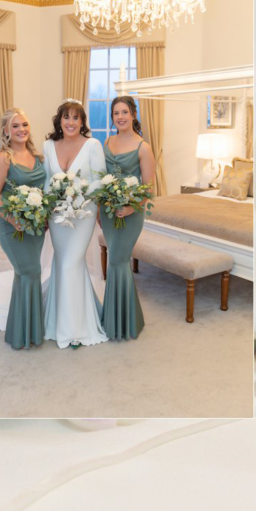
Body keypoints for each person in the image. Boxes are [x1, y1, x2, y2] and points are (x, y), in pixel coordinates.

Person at [41, 99, 108, 349]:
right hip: (57, 215)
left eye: (75, 118)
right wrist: (54, 198)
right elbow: (46, 180)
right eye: (66, 117)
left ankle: (74, 331)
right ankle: (60, 320)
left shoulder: (93, 145)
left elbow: (100, 181)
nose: (70, 122)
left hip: (83, 214)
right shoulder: (48, 145)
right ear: (59, 121)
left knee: (72, 262)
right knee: (63, 262)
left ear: (82, 122)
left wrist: (77, 191)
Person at [0, 108, 47, 349]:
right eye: (15, 126)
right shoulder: (3, 158)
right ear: (5, 131)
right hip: (13, 228)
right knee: (29, 271)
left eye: (25, 125)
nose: (22, 130)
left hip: (35, 227)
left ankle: (22, 329)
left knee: (27, 274)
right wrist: (13, 219)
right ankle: (27, 331)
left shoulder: (37, 156)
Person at [100, 95, 156, 340]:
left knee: (118, 261)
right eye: (115, 113)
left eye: (124, 112)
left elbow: (150, 188)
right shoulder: (107, 141)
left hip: (131, 213)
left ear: (133, 114)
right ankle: (120, 318)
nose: (120, 117)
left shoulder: (143, 147)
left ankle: (123, 323)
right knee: (115, 259)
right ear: (112, 117)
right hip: (109, 211)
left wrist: (132, 208)